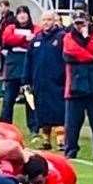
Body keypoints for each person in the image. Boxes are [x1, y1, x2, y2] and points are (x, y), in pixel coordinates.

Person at [62, 11, 93, 160]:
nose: (79, 26)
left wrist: (86, 40)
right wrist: (91, 56)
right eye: (76, 23)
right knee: (72, 123)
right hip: (75, 88)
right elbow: (70, 52)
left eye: (82, 22)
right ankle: (71, 149)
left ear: (88, 22)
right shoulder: (68, 36)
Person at [23, 11, 66, 149]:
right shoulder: (36, 39)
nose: (46, 22)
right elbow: (28, 61)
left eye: (49, 19)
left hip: (57, 81)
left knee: (58, 111)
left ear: (55, 21)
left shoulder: (62, 37)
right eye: (44, 20)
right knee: (42, 112)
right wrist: (26, 80)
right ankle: (46, 140)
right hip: (39, 81)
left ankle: (61, 140)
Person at [0, 6, 38, 134]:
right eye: (19, 13)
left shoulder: (35, 28)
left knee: (29, 97)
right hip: (13, 66)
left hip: (28, 66)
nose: (22, 15)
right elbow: (7, 39)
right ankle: (4, 127)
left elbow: (35, 40)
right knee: (8, 98)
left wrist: (18, 42)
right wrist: (23, 39)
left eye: (24, 13)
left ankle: (34, 127)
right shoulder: (10, 27)